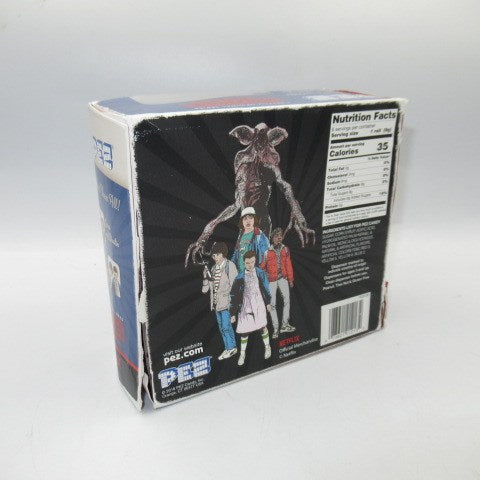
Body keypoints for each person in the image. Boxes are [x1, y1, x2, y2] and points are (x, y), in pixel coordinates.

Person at [229, 250, 272, 366]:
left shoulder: (260, 273)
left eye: (252, 262)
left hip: (258, 303)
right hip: (245, 305)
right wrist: (232, 313)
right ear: (244, 263)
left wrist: (268, 302)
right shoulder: (239, 277)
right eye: (247, 263)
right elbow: (234, 296)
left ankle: (267, 347)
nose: (250, 265)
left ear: (255, 261)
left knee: (263, 327)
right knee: (244, 332)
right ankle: (242, 354)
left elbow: (266, 288)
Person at [202, 242, 238, 360]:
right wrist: (206, 278)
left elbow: (236, 288)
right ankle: (229, 348)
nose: (215, 257)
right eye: (213, 255)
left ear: (223, 253)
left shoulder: (230, 266)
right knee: (223, 328)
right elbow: (205, 290)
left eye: (217, 254)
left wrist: (233, 310)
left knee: (226, 327)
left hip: (227, 303)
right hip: (216, 304)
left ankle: (231, 348)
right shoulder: (213, 268)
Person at [261, 227, 295, 338]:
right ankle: (276, 328)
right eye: (276, 236)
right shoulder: (267, 252)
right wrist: (265, 277)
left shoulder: (285, 249)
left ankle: (285, 324)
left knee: (287, 300)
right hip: (271, 280)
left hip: (283, 278)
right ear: (272, 238)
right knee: (272, 304)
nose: (279, 238)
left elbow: (288, 265)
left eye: (280, 235)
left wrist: (290, 279)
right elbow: (262, 267)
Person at [231, 207, 270, 273]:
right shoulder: (240, 236)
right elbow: (236, 253)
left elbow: (266, 255)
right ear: (242, 222)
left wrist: (259, 271)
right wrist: (231, 267)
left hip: (253, 273)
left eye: (250, 218)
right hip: (240, 273)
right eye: (245, 219)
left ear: (254, 220)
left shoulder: (259, 235)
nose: (248, 221)